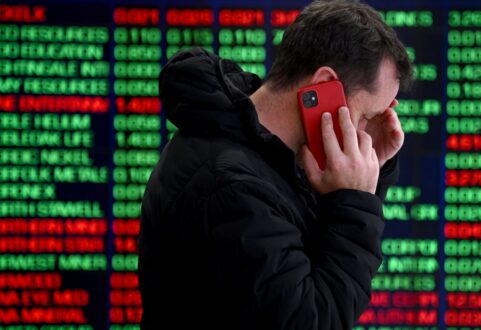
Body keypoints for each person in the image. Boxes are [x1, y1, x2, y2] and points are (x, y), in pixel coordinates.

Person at [138, 0, 413, 328]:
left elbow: (315, 258)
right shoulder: (233, 187)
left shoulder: (259, 153)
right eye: (367, 116)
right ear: (322, 87)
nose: (365, 137)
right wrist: (354, 205)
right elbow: (313, 320)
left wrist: (373, 174)